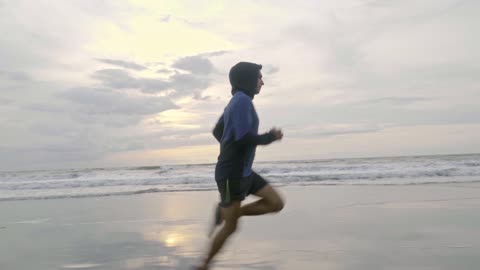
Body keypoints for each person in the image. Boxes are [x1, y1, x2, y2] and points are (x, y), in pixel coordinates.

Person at [196, 62, 285, 270]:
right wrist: (270, 137)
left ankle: (226, 211)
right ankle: (202, 266)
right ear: (247, 79)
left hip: (243, 171)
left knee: (276, 203)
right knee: (230, 228)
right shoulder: (242, 102)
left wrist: (229, 147)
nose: (262, 81)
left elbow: (218, 131)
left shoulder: (234, 102)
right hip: (230, 175)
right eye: (259, 77)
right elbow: (244, 137)